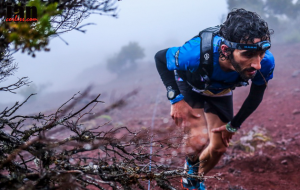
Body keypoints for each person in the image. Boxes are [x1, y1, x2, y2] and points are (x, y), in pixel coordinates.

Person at [154, 8, 275, 190]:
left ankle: (193, 179)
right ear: (225, 50)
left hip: (220, 91)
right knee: (199, 140)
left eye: (261, 54)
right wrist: (175, 98)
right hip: (190, 84)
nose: (257, 64)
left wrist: (233, 125)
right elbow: (160, 58)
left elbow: (256, 94)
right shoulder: (195, 53)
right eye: (248, 55)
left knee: (219, 148)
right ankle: (191, 170)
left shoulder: (265, 63)